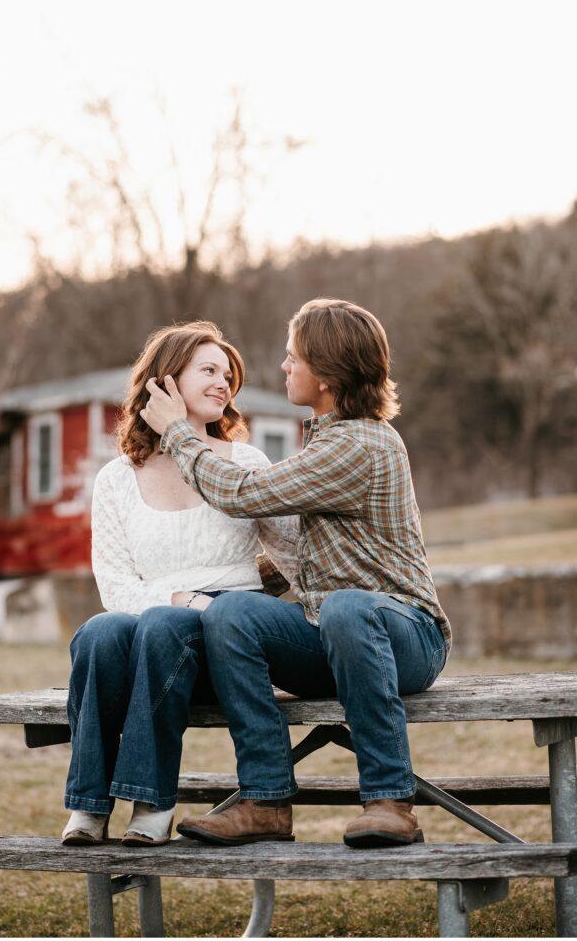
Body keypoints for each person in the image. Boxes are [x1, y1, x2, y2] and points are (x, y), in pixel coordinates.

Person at [141, 298, 451, 849]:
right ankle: (264, 801)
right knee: (234, 613)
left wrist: (177, 433)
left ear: (327, 374)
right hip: (334, 634)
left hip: (408, 637)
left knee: (349, 605)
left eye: (293, 358)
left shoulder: (362, 443)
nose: (283, 368)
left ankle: (389, 801)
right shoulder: (327, 440)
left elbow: (244, 493)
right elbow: (307, 561)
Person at [62, 322, 298, 846]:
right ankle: (88, 806)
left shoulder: (245, 461)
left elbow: (296, 552)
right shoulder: (117, 479)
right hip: (151, 626)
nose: (224, 385)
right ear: (165, 382)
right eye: (209, 371)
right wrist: (176, 599)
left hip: (228, 638)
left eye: (228, 375)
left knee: (165, 625)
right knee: (99, 632)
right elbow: (116, 585)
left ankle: (151, 802)